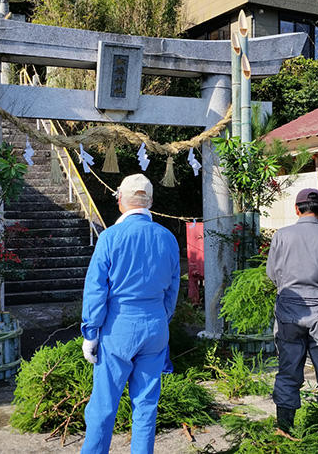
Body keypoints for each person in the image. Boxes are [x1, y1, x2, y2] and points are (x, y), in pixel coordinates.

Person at [80, 174, 180, 454]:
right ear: (149, 201)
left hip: (118, 328)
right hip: (156, 325)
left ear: (121, 200)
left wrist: (90, 332)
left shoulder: (110, 237)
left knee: (103, 405)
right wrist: (161, 319)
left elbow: (96, 290)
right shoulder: (167, 237)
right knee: (146, 406)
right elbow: (173, 289)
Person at [266, 188, 318, 450]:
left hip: (289, 313)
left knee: (288, 372)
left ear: (296, 209)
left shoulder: (281, 236)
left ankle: (285, 431)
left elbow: (273, 275)